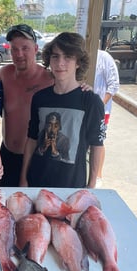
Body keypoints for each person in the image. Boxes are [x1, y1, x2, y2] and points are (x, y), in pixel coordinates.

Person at [19, 32, 105, 188]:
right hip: (36, 181)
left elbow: (97, 145)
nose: (60, 63)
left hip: (71, 185)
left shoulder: (90, 101)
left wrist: (91, 186)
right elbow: (31, 139)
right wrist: (23, 177)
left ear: (78, 62)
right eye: (55, 56)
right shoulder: (39, 98)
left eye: (68, 57)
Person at [0, 24, 54, 186]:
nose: (19, 54)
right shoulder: (4, 74)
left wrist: (85, 88)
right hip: (8, 155)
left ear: (35, 48)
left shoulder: (50, 79)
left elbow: (72, 89)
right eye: (14, 49)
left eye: (25, 48)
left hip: (37, 158)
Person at [93, 49, 120, 187]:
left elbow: (114, 85)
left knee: (98, 141)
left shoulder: (104, 58)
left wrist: (99, 105)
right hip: (83, 107)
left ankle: (98, 175)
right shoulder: (77, 55)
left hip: (101, 109)